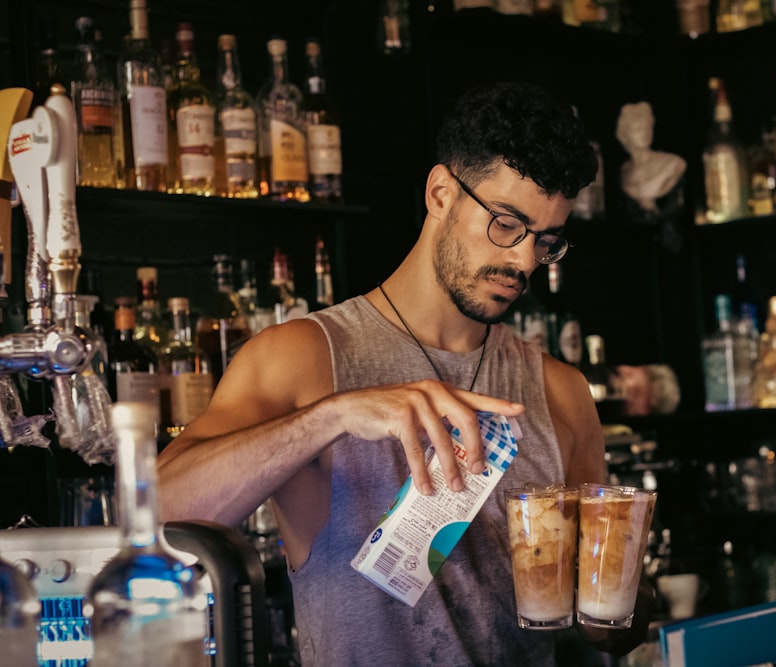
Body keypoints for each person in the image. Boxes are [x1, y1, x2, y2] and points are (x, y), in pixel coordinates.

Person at [157, 81, 652, 666]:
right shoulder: (303, 358)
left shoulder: (560, 392)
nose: (524, 260)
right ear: (441, 192)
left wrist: (613, 608)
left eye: (545, 241)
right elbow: (157, 512)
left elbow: (612, 626)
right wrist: (334, 415)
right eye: (506, 224)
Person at [616, 101, 686, 214]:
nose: (645, 133)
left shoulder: (672, 163)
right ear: (625, 134)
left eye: (647, 127)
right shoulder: (624, 171)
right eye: (638, 129)